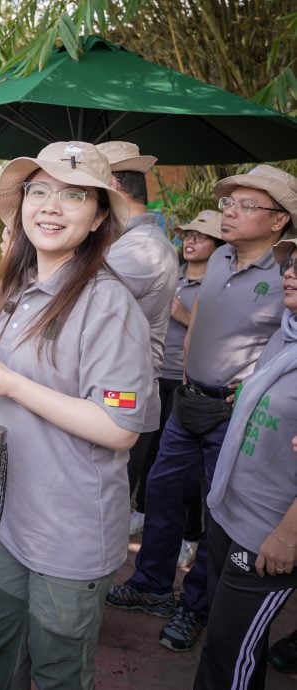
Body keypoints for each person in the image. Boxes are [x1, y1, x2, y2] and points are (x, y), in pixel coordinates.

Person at [0, 141, 152, 689]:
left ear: (99, 215)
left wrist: (12, 385)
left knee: (57, 668)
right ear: (23, 203)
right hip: (7, 512)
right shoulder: (15, 283)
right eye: (40, 191)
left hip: (69, 528)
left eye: (74, 195)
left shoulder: (108, 304)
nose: (51, 206)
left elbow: (119, 428)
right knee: (0, 648)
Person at [107, 164, 297, 652]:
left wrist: (250, 389)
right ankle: (151, 585)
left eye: (245, 206)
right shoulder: (218, 259)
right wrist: (190, 368)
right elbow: (198, 322)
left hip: (233, 414)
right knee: (161, 491)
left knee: (218, 514)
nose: (229, 212)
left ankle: (196, 606)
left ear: (278, 221)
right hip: (188, 400)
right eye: (229, 203)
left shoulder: (285, 274)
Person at [193, 236, 297, 689]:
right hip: (231, 511)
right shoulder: (286, 332)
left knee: (230, 655)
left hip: (269, 532)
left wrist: (288, 535)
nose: (289, 273)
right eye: (290, 264)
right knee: (224, 642)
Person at [95, 141, 179, 537]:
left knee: (96, 512)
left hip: (117, 403)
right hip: (110, 398)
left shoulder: (141, 249)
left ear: (110, 185)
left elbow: (69, 295)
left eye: (80, 188)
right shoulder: (122, 242)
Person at [145, 210, 225, 567]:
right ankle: (147, 521)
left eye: (200, 236)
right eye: (187, 235)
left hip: (190, 383)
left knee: (188, 473)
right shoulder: (171, 275)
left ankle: (190, 535)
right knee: (152, 458)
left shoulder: (219, 283)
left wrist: (183, 316)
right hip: (156, 373)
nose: (189, 241)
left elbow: (218, 335)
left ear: (218, 246)